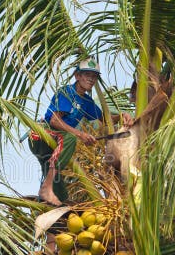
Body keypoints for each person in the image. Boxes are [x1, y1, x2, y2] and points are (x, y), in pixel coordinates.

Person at [28, 58, 133, 205]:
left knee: (61, 197)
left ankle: (48, 202)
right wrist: (80, 135)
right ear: (77, 76)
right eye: (87, 74)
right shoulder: (66, 92)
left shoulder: (87, 101)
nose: (91, 79)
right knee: (70, 139)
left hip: (55, 143)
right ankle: (46, 188)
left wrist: (122, 115)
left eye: (94, 76)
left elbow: (104, 119)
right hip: (41, 134)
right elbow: (54, 120)